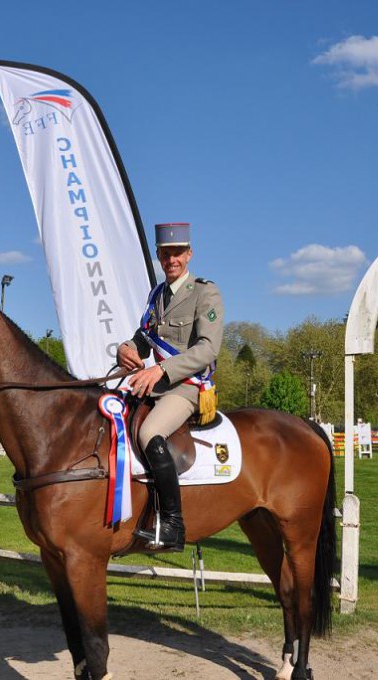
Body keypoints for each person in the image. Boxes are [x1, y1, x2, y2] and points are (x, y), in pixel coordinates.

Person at [117, 222, 224, 551]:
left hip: (188, 387)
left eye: (177, 252)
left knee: (149, 434)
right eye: (165, 253)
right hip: (155, 386)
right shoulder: (157, 295)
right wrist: (126, 348)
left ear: (189, 254)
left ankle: (173, 526)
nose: (171, 259)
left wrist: (160, 369)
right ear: (159, 256)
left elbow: (208, 349)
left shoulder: (206, 292)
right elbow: (144, 338)